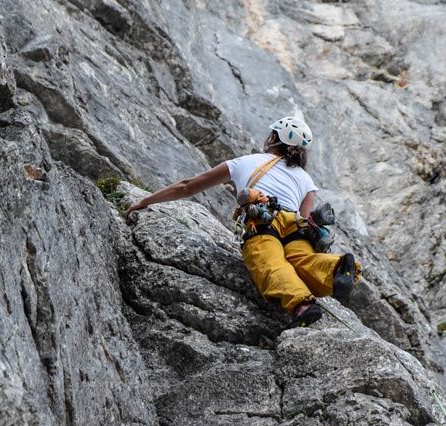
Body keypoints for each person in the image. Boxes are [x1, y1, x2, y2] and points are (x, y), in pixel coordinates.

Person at [127, 116, 358, 328]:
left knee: (270, 263)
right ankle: (335, 267)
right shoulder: (305, 179)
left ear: (274, 138)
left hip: (262, 220)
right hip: (295, 227)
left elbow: (187, 186)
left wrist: (146, 201)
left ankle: (302, 305)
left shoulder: (246, 162)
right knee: (302, 259)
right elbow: (306, 220)